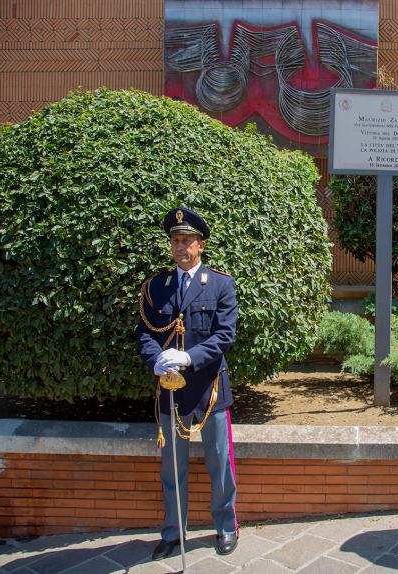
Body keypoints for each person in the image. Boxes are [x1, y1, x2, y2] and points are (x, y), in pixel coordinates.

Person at [137, 206, 239, 559]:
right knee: (172, 469)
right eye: (175, 241)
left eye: (187, 241)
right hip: (172, 391)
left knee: (219, 465)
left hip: (211, 390)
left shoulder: (222, 284)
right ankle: (173, 533)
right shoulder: (157, 287)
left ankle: (226, 528)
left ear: (202, 245)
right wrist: (157, 360)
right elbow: (145, 333)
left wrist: (188, 357)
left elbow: (225, 336)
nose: (180, 248)